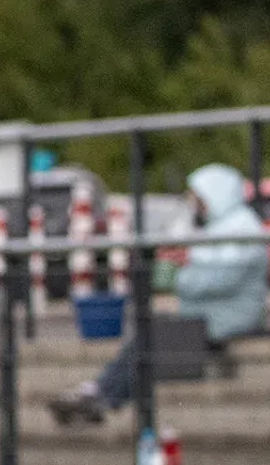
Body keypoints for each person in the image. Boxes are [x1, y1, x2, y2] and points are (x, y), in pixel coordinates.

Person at [51, 163, 267, 425]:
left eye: (198, 198)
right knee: (148, 334)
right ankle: (100, 393)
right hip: (212, 316)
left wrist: (180, 275)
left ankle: (101, 395)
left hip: (226, 320)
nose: (195, 205)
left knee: (150, 338)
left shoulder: (242, 229)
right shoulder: (225, 227)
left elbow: (221, 279)